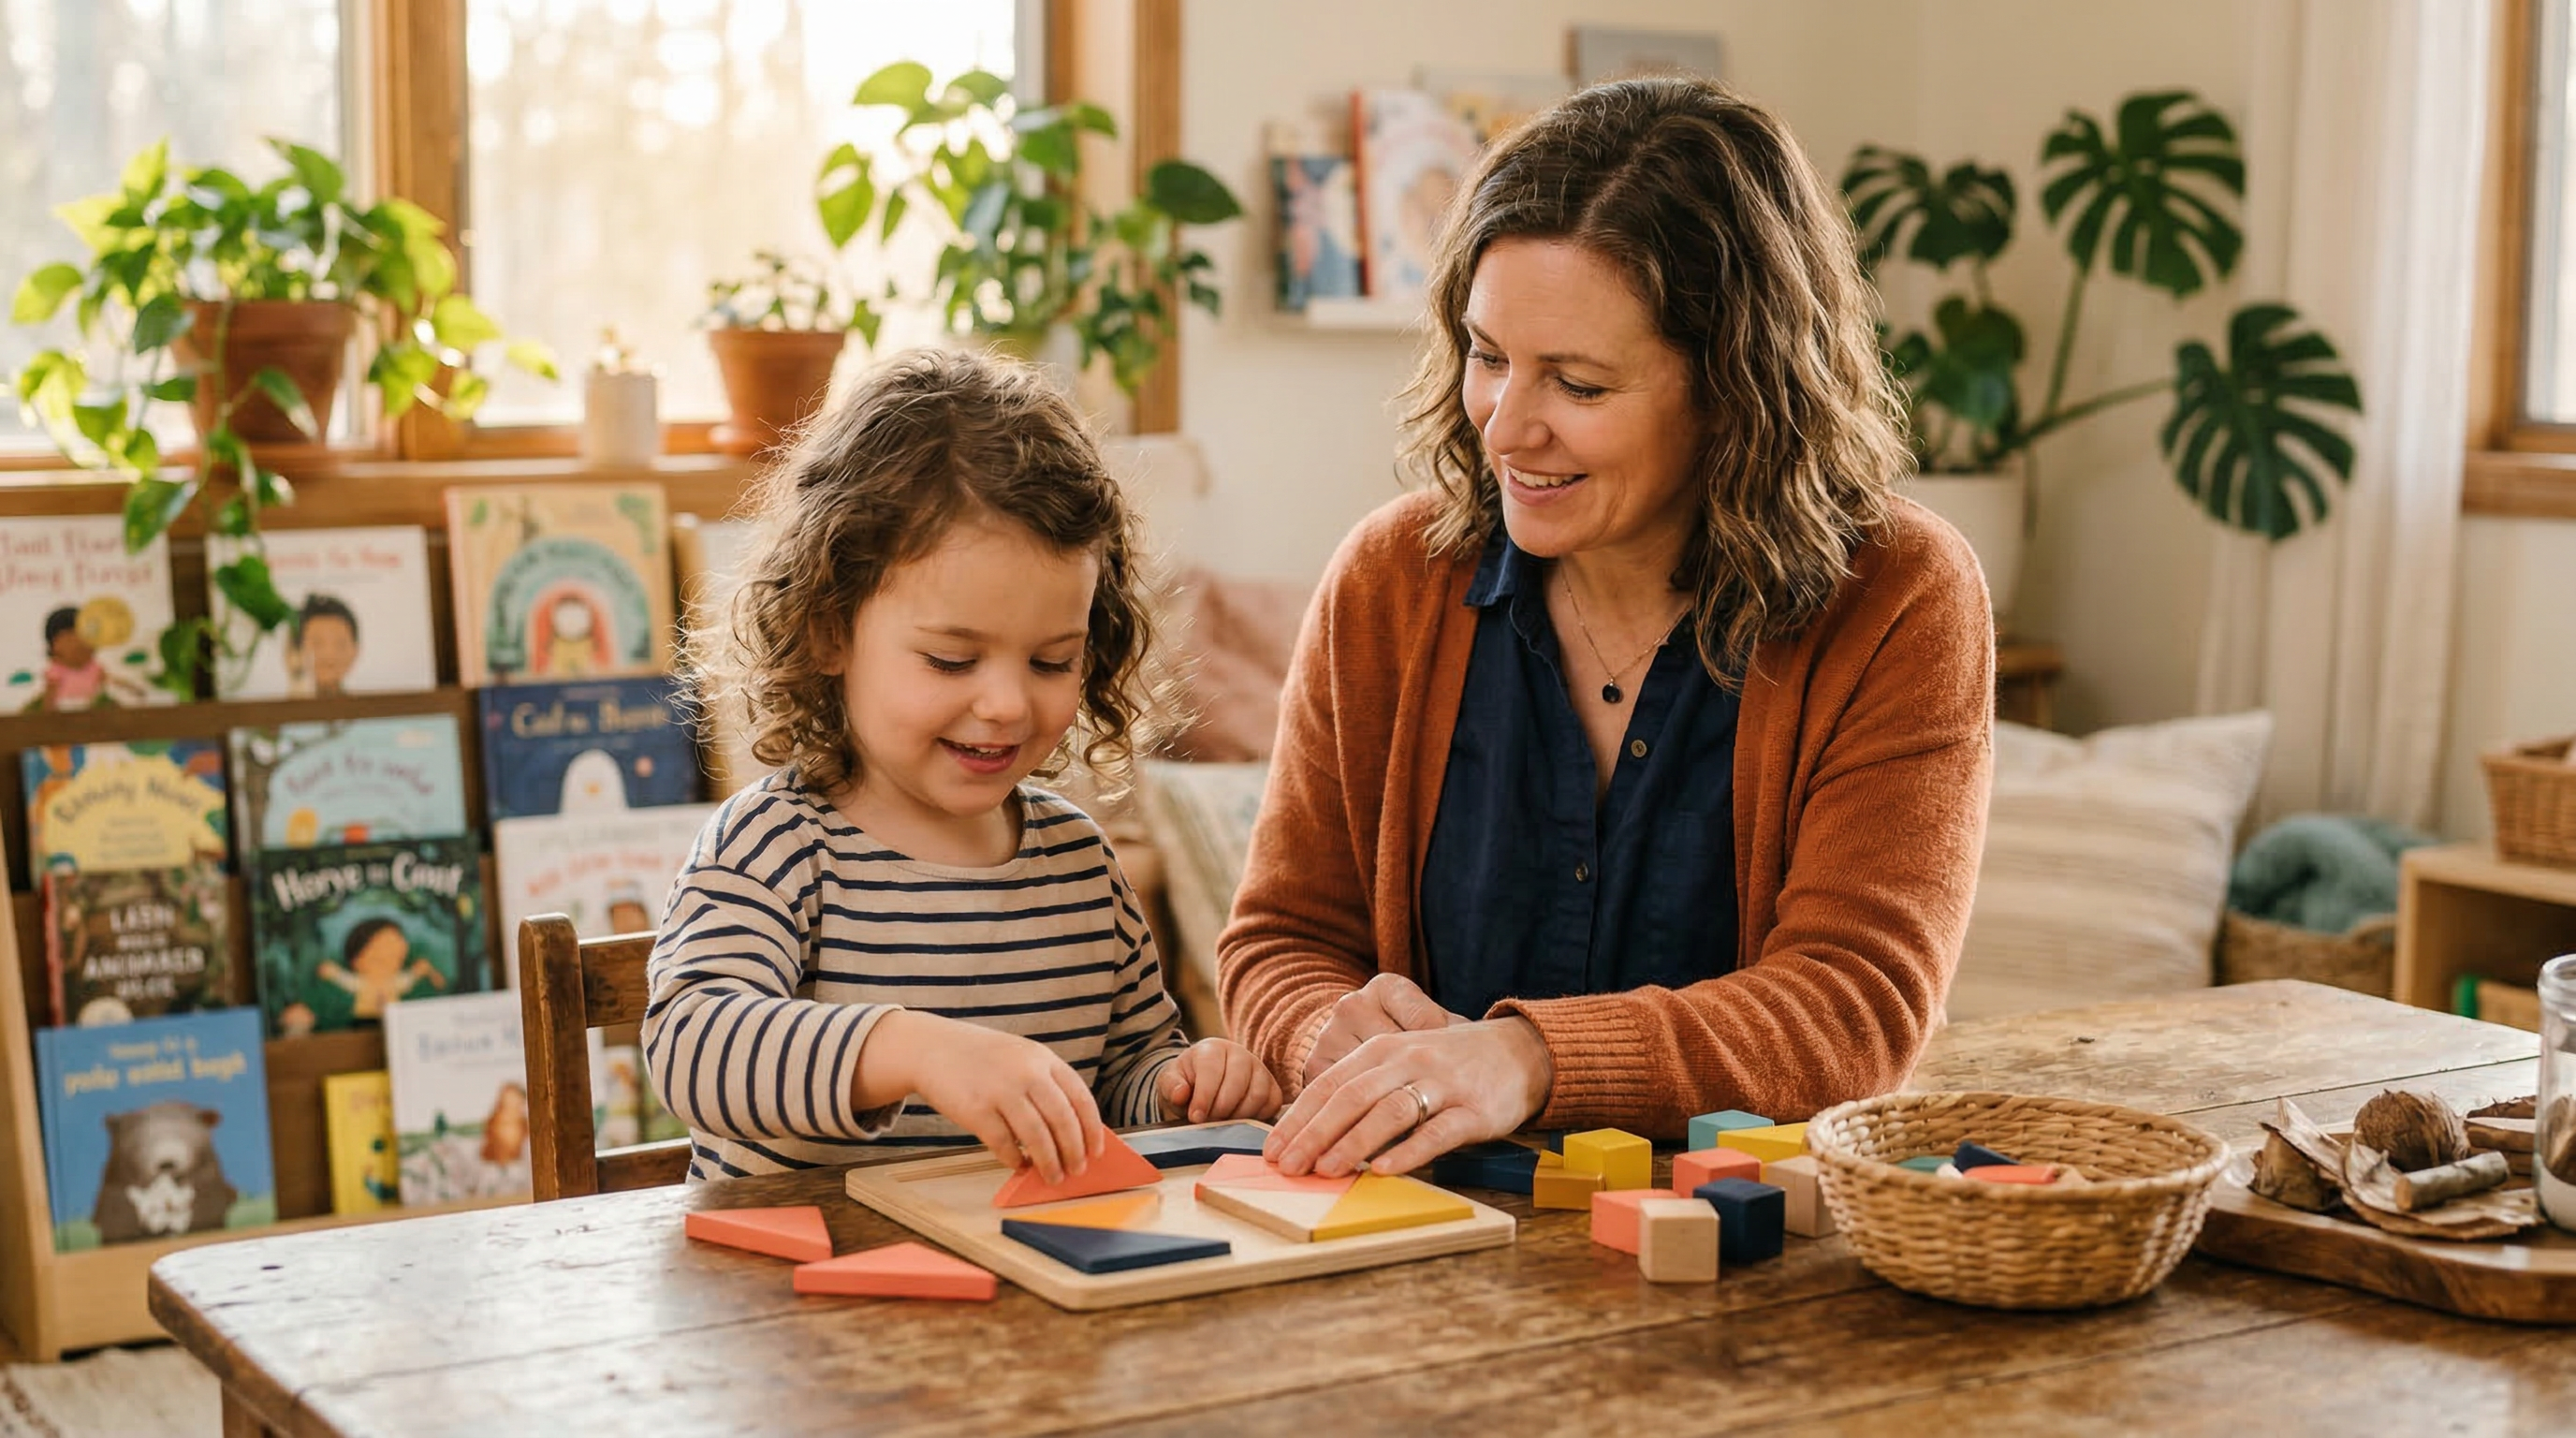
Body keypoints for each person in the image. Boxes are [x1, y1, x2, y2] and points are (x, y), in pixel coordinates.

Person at [1227, 78, 1995, 1181]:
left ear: (1736, 387)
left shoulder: (1899, 595)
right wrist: (1316, 1029)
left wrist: (1526, 1060)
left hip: (1749, 1265)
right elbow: (1281, 940)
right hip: (1410, 1238)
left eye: (1578, 384)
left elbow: (1853, 1008)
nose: (1506, 424)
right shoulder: (1389, 583)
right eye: (1488, 356)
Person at [645, 347, 1281, 1184]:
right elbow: (693, 1044)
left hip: (1024, 1288)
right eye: (952, 660)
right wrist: (908, 1049)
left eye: (1053, 662)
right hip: (800, 1294)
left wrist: (1176, 1087)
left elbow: (1122, 1073)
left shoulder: (1081, 866)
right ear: (830, 629)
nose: (1009, 706)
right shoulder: (776, 846)